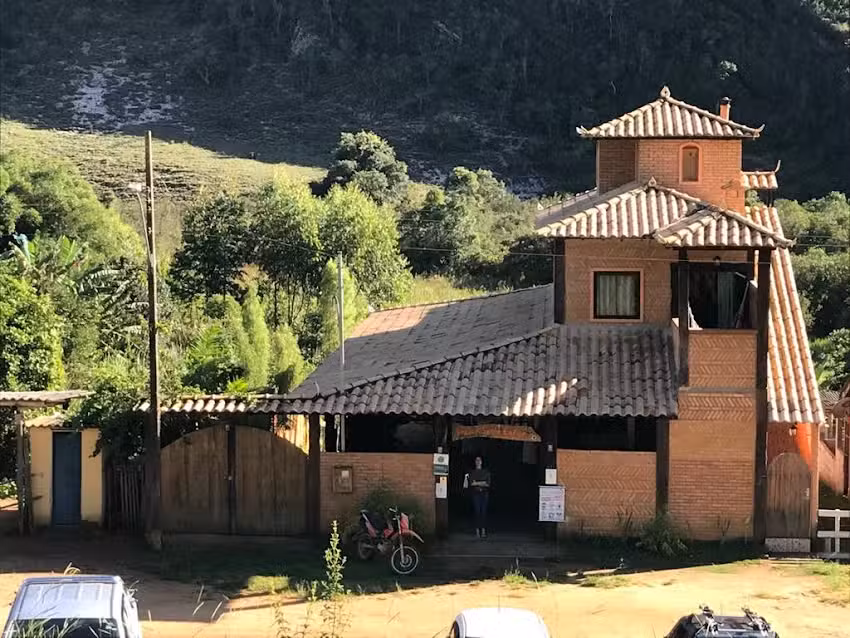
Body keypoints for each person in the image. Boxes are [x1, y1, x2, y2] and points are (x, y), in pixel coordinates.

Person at [464, 456, 491, 538]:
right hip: (476, 494)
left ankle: (483, 531)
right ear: (475, 462)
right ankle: (477, 531)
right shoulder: (472, 472)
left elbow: (488, 484)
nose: (478, 461)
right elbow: (471, 483)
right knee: (477, 512)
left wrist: (477, 483)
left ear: (482, 462)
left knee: (483, 512)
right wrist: (482, 483)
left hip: (484, 494)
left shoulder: (486, 472)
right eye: (476, 460)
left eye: (479, 460)